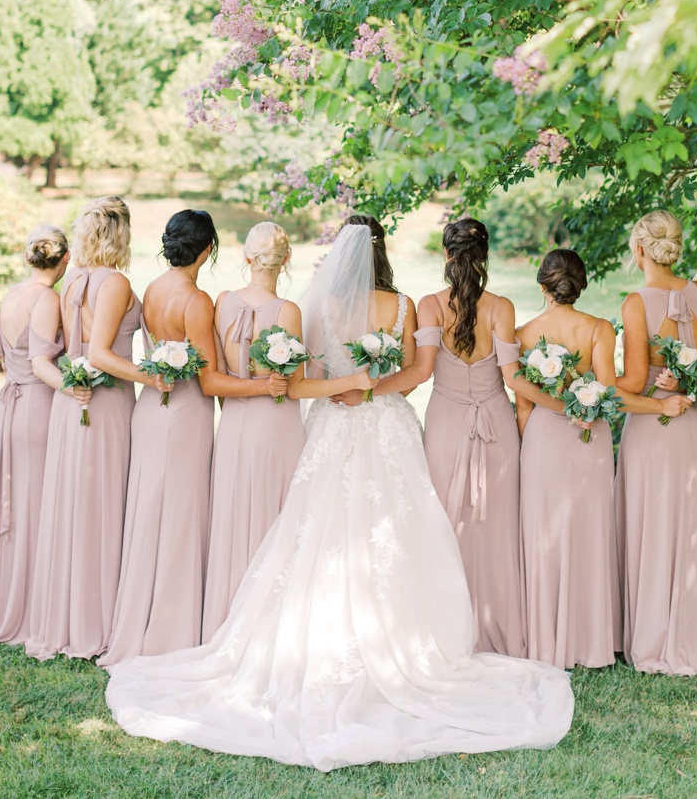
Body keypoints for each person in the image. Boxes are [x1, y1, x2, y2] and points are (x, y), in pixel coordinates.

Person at [103, 218, 573, 770]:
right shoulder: (401, 306)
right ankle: (406, 644)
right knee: (396, 531)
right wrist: (370, 387)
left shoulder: (317, 309)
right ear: (383, 254)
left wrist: (345, 388)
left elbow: (301, 385)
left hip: (334, 424)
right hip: (388, 426)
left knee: (322, 536)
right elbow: (417, 374)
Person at [509, 248, 671, 668]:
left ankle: (548, 642)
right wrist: (658, 405)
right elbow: (609, 391)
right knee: (590, 533)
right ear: (580, 286)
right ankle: (592, 643)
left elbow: (523, 406)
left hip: (544, 436)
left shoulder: (522, 333)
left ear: (543, 286)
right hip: (590, 437)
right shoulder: (600, 328)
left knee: (545, 536)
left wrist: (533, 447)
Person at [25, 196, 147, 661]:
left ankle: (67, 619)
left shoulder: (72, 278)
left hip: (71, 401)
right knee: (100, 507)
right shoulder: (114, 281)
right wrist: (152, 376)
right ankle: (94, 624)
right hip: (105, 402)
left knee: (76, 508)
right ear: (120, 235)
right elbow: (102, 354)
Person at [102, 209, 219, 664]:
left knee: (150, 513)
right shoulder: (197, 301)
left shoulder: (150, 290)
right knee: (180, 517)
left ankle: (140, 617)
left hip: (150, 408)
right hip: (184, 410)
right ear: (207, 250)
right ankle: (171, 627)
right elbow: (207, 377)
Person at [408, 217, 526, 657]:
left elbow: (419, 373)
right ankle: (496, 627)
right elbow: (513, 379)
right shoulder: (502, 307)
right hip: (496, 424)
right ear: (485, 257)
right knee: (495, 525)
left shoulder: (431, 305)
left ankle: (446, 629)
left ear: (445, 255)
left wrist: (369, 392)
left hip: (446, 425)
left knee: (444, 522)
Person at [616, 209, 697, 675]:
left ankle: (654, 638)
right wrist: (691, 383)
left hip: (655, 429)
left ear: (640, 248)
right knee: (692, 526)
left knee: (654, 525)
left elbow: (636, 380)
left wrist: (594, 381)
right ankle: (694, 637)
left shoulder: (636, 302)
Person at [199, 220, 304, 641]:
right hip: (276, 424)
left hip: (234, 423)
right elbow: (293, 385)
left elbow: (216, 378)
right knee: (274, 521)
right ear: (286, 260)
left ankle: (227, 621)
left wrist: (239, 402)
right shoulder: (288, 312)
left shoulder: (222, 301)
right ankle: (268, 628)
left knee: (233, 517)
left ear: (246, 257)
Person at [0, 224, 69, 646]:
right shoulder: (47, 299)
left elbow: (3, 358)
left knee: (14, 506)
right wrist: (77, 386)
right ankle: (31, 613)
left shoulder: (11, 295)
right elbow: (39, 364)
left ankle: (8, 604)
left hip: (6, 407)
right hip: (36, 406)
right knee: (35, 508)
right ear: (64, 260)